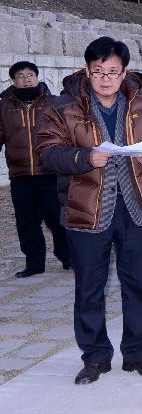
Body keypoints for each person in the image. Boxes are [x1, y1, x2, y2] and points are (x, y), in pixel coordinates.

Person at [37, 36, 142, 385]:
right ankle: (95, 357)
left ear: (124, 72)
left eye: (113, 71)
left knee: (137, 284)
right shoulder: (64, 106)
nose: (106, 78)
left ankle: (138, 354)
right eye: (98, 71)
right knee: (89, 289)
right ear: (87, 70)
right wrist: (85, 158)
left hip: (136, 208)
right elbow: (48, 152)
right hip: (87, 211)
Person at [0, 61, 70, 277]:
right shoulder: (3, 106)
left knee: (57, 219)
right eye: (20, 75)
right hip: (20, 175)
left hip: (50, 173)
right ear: (14, 80)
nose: (26, 78)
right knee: (26, 222)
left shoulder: (54, 103)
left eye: (30, 74)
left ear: (37, 77)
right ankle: (34, 263)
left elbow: (67, 134)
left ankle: (68, 258)